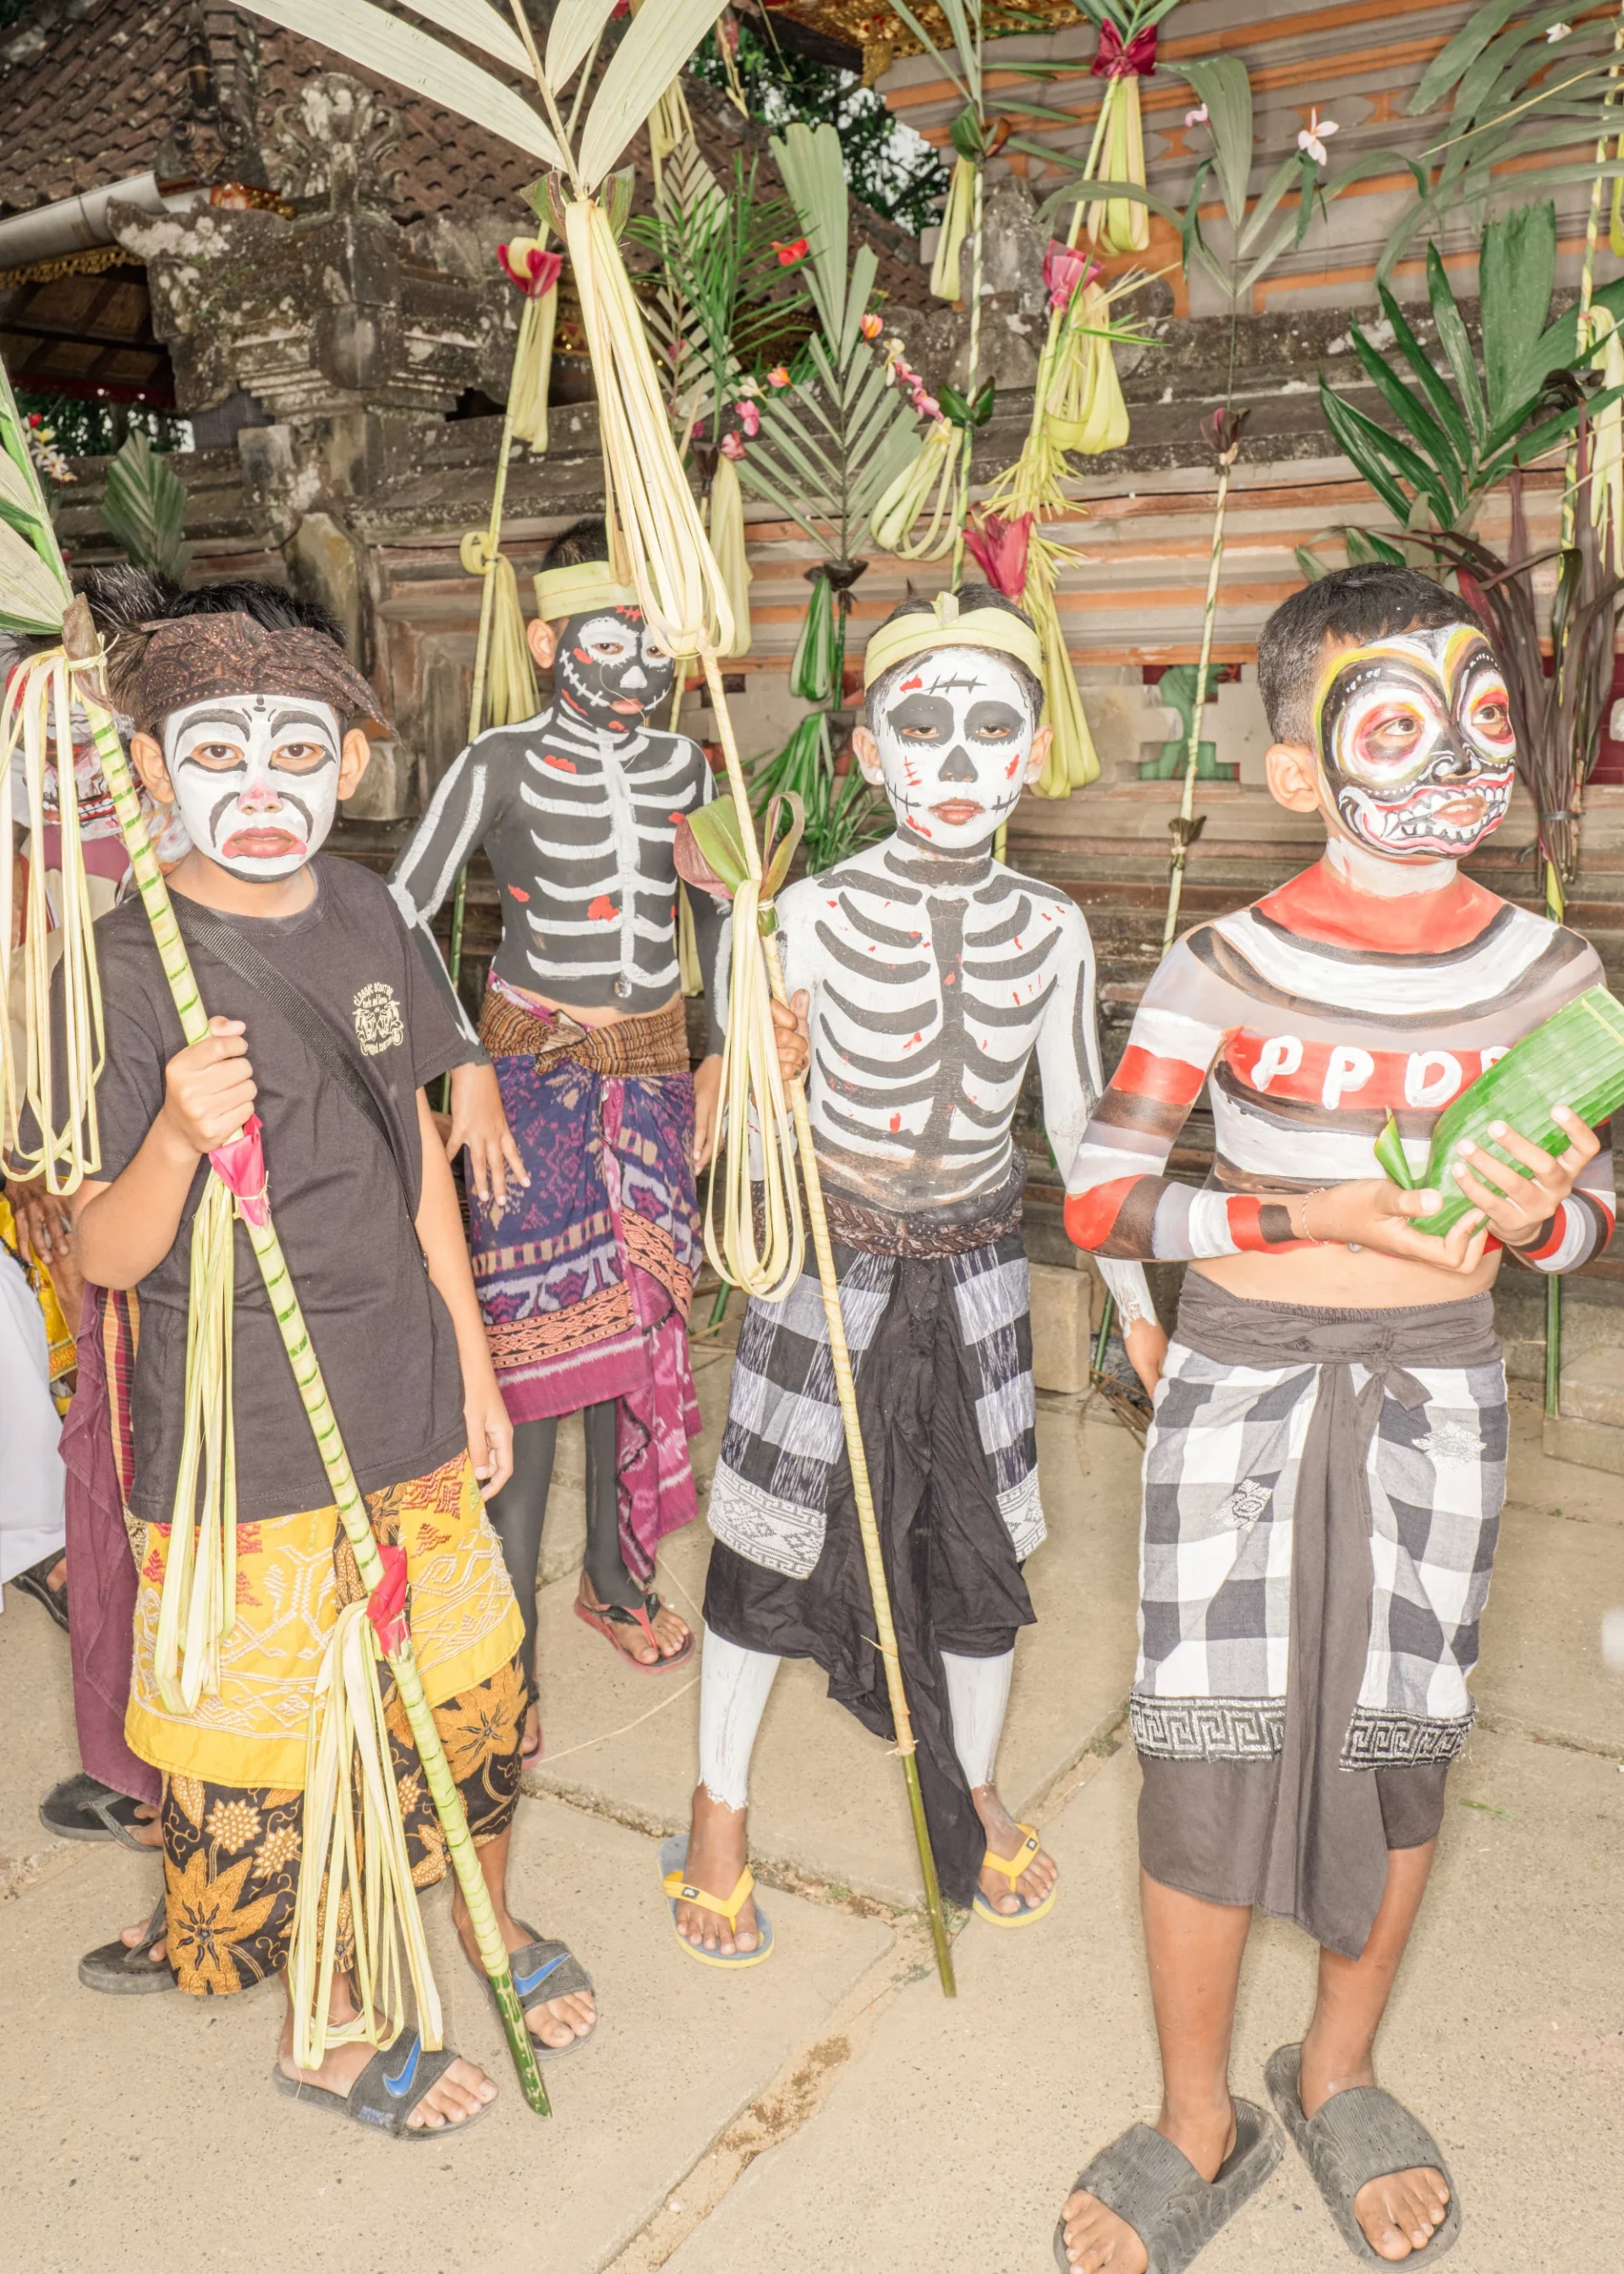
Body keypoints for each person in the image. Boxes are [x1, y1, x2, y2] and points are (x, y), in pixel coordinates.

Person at [1056, 564, 1614, 2271]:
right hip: (1237, 1390)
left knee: (1401, 1735)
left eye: (1487, 721)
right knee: (1209, 1745)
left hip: (1438, 1392)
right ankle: (1193, 2111)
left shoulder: (1554, 973)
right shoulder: (1219, 966)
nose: (1457, 760)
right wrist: (1310, 1222)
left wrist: (1540, 1226)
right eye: (1398, 726)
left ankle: (1342, 2065)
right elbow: (1098, 1202)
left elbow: (1601, 1225)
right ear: (1301, 770)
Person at [50, 581, 595, 2130]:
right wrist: (170, 1131)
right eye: (219, 748)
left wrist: (476, 1364)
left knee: (468, 1691)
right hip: (246, 1444)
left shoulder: (370, 913)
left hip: (408, 1402)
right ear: (152, 765)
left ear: (351, 763)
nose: (263, 783)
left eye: (299, 747)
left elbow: (418, 1150)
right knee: (278, 1758)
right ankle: (326, 2022)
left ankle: (487, 1924)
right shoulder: (125, 958)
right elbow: (102, 1254)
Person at [666, 587, 1161, 1964]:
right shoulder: (796, 919)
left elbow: (1075, 1126)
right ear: (872, 754)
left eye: (989, 727)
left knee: (978, 1555)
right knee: (767, 1546)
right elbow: (743, 1143)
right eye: (921, 727)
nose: (953, 760)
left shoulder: (1054, 932)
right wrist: (769, 1060)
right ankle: (719, 1805)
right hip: (828, 1269)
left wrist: (1135, 1311)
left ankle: (974, 1787)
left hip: (982, 1274)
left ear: (1029, 751)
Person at [387, 518, 732, 1757]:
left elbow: (729, 913)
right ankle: (501, 1656)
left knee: (632, 1338)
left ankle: (616, 1582)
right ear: (544, 641)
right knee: (529, 1371)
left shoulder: (696, 769)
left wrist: (721, 1054)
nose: (635, 657)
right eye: (606, 632)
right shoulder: (498, 760)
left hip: (649, 1078)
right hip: (526, 1083)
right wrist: (461, 1066)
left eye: (651, 631)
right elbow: (400, 913)